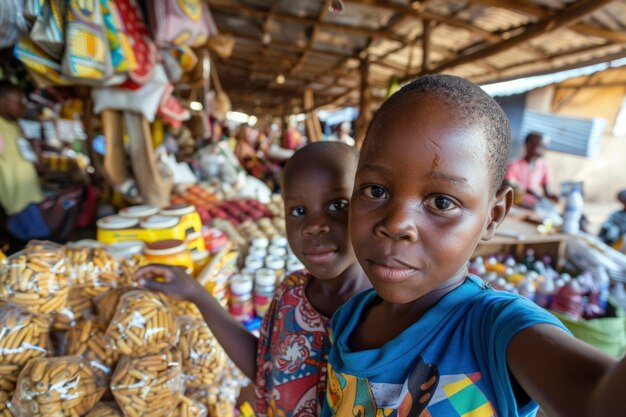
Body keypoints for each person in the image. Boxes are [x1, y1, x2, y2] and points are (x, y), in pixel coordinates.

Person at [322, 75, 625, 417]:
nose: (395, 225)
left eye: (441, 202)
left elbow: (599, 400)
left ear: (492, 216)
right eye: (375, 191)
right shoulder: (348, 319)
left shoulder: (495, 331)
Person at [134, 142, 370, 417]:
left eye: (337, 205)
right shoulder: (291, 293)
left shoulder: (388, 312)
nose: (313, 226)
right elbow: (265, 369)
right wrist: (195, 293)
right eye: (298, 211)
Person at [0, 81, 49, 241]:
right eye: (18, 102)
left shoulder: (14, 125)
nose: (23, 106)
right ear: (2, 101)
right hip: (17, 200)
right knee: (40, 245)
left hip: (28, 196)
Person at [505, 132, 558, 208]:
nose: (544, 150)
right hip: (516, 205)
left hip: (535, 207)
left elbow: (547, 193)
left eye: (545, 147)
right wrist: (531, 192)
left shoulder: (544, 165)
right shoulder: (514, 165)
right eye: (541, 146)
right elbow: (509, 189)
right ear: (528, 145)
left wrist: (552, 197)